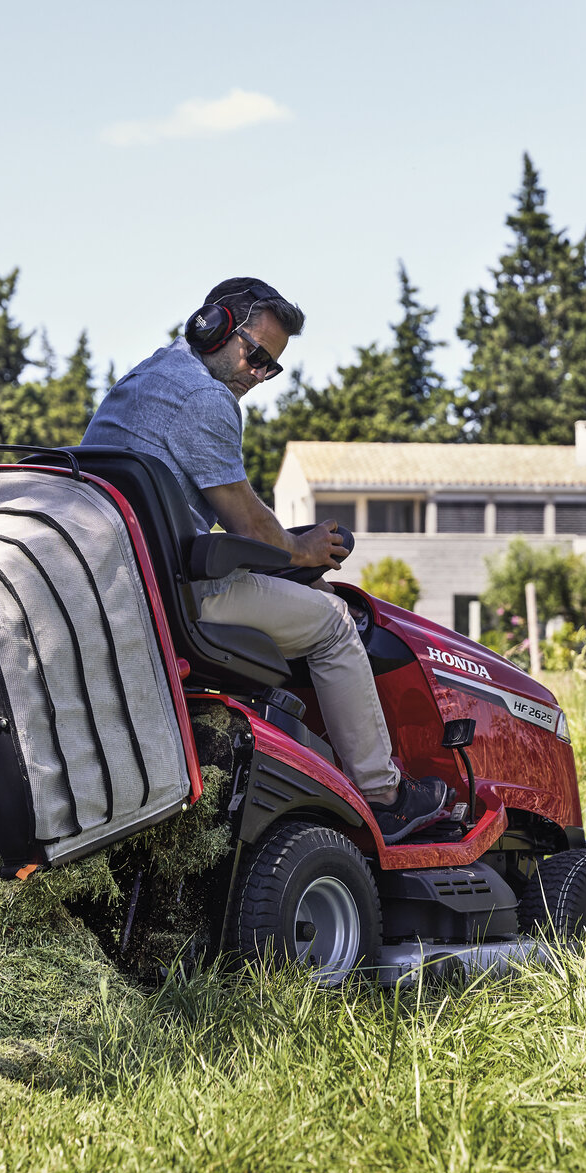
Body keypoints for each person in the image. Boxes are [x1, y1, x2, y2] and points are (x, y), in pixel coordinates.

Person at [79, 277, 451, 843]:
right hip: (176, 597)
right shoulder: (205, 398)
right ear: (215, 326)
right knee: (334, 624)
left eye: (270, 367)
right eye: (255, 356)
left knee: (311, 597)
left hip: (127, 584)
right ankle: (384, 796)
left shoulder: (143, 379)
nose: (258, 375)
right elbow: (250, 526)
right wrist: (305, 549)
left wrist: (293, 558)